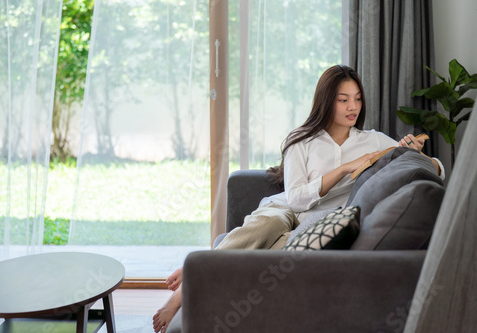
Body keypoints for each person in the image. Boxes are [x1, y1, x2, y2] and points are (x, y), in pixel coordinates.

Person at [152, 64, 444, 332]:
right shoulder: (302, 140)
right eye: (343, 99)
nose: (352, 106)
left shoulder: (375, 141)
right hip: (285, 208)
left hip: (320, 221)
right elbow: (295, 198)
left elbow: (436, 169)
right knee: (265, 227)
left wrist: (416, 152)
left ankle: (202, 277)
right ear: (326, 100)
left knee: (275, 253)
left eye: (357, 98)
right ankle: (185, 290)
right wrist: (344, 169)